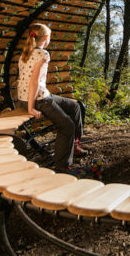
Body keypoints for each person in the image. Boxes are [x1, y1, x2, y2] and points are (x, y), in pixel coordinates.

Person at [16, 23, 99, 177]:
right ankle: (62, 167)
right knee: (67, 126)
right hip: (37, 99)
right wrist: (31, 108)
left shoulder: (25, 53)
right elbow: (33, 81)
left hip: (29, 97)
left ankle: (74, 145)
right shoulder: (43, 54)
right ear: (46, 38)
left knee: (75, 107)